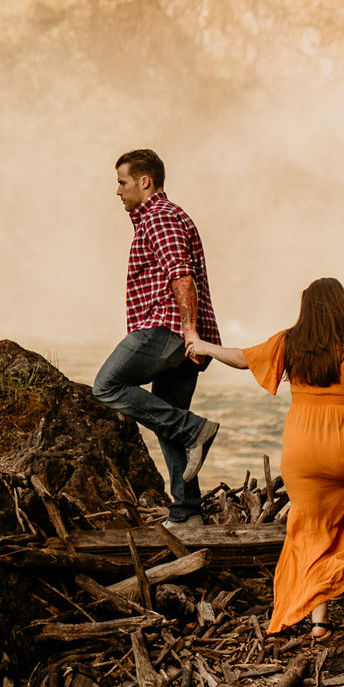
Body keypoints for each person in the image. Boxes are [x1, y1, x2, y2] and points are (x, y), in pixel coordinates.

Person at [188, 278, 344, 640]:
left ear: (306, 308)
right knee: (341, 525)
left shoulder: (291, 341)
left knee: (309, 528)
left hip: (301, 449)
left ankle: (316, 620)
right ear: (343, 306)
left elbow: (242, 358)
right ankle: (326, 607)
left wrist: (203, 345)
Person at [92, 149, 222, 526]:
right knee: (169, 420)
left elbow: (181, 275)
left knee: (106, 385)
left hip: (167, 329)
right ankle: (187, 513)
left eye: (122, 182)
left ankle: (196, 429)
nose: (117, 191)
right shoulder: (163, 216)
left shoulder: (160, 217)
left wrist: (190, 333)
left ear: (144, 182)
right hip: (181, 333)